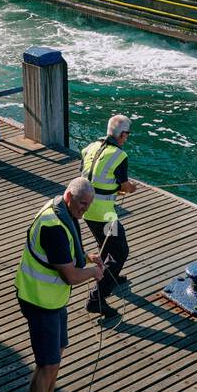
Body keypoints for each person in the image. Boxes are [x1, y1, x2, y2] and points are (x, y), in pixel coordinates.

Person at [16, 177, 105, 392]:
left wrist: (87, 257)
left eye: (88, 205)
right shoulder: (53, 227)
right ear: (68, 196)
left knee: (59, 348)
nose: (85, 211)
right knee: (47, 364)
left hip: (52, 300)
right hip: (39, 300)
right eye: (81, 204)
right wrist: (93, 272)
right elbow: (69, 275)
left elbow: (66, 254)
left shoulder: (59, 210)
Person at [80, 115, 137, 319]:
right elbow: (124, 185)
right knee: (120, 251)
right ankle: (97, 298)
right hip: (104, 214)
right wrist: (130, 188)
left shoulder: (91, 147)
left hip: (85, 208)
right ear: (122, 134)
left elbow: (90, 176)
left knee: (105, 245)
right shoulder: (119, 155)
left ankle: (110, 275)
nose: (127, 138)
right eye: (127, 135)